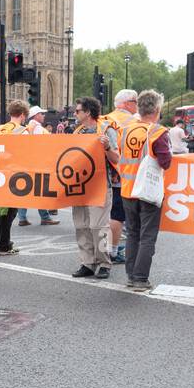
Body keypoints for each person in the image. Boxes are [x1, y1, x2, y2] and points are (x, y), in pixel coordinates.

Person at [119, 90, 172, 292]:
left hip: (127, 189)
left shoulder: (126, 130)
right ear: (157, 110)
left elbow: (121, 157)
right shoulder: (158, 132)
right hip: (148, 191)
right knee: (147, 235)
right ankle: (141, 278)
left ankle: (131, 276)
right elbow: (165, 162)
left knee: (132, 233)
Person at [70, 96, 119, 280]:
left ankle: (104, 263)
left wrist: (106, 147)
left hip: (99, 185)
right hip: (79, 185)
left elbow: (116, 158)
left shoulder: (106, 131)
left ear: (88, 112)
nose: (75, 113)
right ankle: (87, 263)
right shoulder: (77, 132)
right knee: (81, 226)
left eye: (77, 111)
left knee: (99, 226)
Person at [101, 89, 139, 265]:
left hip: (102, 173)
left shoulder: (105, 119)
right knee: (117, 215)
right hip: (121, 172)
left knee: (104, 214)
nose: (136, 105)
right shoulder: (133, 121)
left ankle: (104, 249)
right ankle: (113, 250)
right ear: (126, 103)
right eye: (135, 101)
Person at [0, 100, 29, 255]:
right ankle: (4, 245)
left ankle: (2, 241)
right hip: (14, 174)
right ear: (22, 115)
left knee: (0, 211)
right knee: (11, 212)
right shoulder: (23, 131)